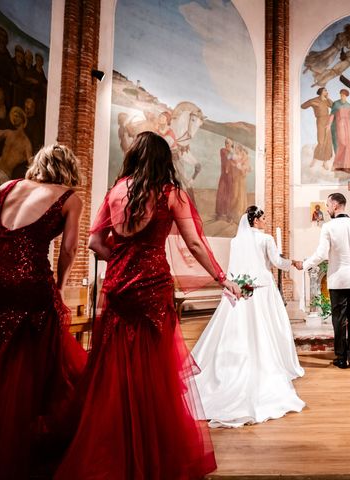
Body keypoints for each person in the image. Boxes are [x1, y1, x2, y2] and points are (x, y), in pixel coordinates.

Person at [55, 132, 241, 479]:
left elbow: (95, 242)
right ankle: (150, 444)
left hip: (118, 287)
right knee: (155, 370)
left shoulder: (115, 191)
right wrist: (222, 277)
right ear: (163, 158)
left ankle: (113, 440)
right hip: (153, 288)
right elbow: (196, 245)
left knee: (113, 365)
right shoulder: (171, 194)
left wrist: (123, 261)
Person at [0, 144, 86, 478]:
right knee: (31, 365)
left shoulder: (7, 187)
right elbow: (69, 248)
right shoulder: (69, 198)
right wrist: (61, 286)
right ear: (69, 168)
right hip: (31, 286)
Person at [192, 206, 305, 427]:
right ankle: (273, 361)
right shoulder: (266, 239)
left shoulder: (235, 241)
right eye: (262, 218)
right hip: (262, 289)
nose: (265, 221)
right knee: (270, 325)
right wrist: (292, 262)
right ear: (255, 221)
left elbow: (233, 267)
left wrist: (235, 286)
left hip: (242, 287)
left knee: (241, 327)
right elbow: (276, 262)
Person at [301, 193, 350, 369]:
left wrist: (304, 264)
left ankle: (341, 357)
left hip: (338, 279)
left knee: (338, 319)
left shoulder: (328, 227)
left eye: (327, 205)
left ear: (335, 205)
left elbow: (321, 254)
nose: (326, 208)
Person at [301, 87, 333, 168]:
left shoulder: (326, 100)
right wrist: (312, 103)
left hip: (328, 120)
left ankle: (325, 163)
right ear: (321, 92)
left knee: (328, 141)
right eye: (325, 90)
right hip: (320, 120)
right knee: (321, 141)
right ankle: (314, 160)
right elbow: (303, 106)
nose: (327, 92)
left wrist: (328, 98)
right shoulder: (315, 100)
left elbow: (333, 106)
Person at [328, 89, 350, 174]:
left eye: (344, 95)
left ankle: (346, 166)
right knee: (342, 143)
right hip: (339, 124)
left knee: (348, 145)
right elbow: (332, 115)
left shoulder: (348, 105)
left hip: (348, 125)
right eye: (341, 94)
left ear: (346, 96)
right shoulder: (336, 103)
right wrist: (329, 124)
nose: (342, 96)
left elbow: (349, 115)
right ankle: (337, 165)